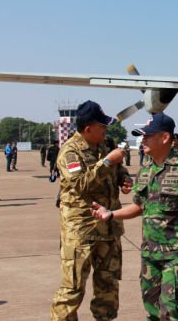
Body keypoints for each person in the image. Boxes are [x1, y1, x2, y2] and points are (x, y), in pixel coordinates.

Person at [90, 112, 178, 321]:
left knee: (172, 308)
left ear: (165, 138)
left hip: (176, 254)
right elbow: (138, 206)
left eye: (147, 135)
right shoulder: (146, 170)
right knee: (152, 308)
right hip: (150, 253)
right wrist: (111, 214)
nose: (142, 140)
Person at [50, 100, 132, 321]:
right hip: (82, 231)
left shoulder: (105, 147)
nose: (106, 131)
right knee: (72, 288)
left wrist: (124, 179)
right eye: (102, 127)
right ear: (88, 128)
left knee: (108, 286)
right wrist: (106, 162)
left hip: (109, 230)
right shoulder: (70, 152)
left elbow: (118, 170)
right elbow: (81, 184)